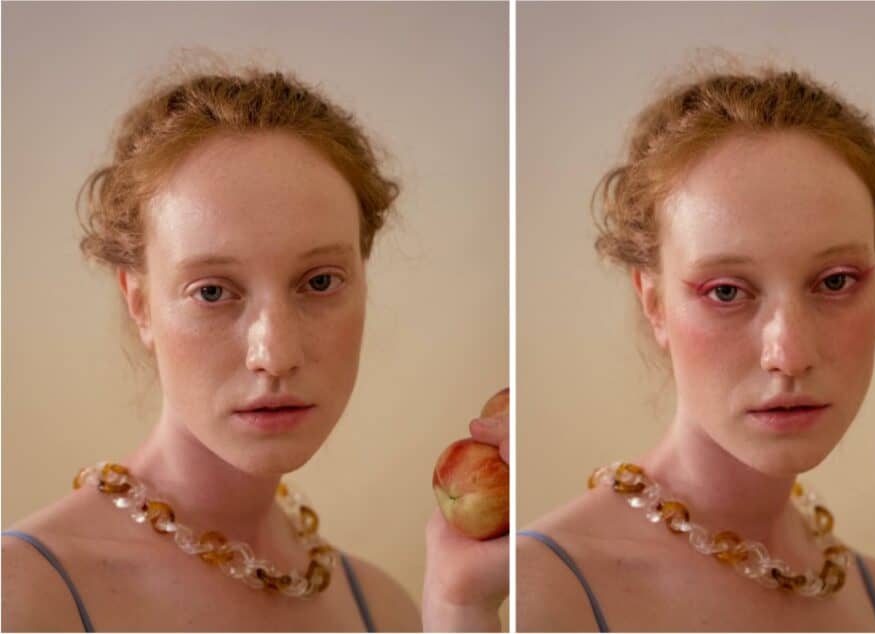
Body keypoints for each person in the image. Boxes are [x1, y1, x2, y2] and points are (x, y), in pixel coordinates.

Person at [1, 63, 508, 632]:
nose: (274, 353)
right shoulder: (24, 597)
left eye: (319, 282)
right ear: (139, 303)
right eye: (212, 291)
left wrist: (462, 608)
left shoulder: (382, 608)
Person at [516, 65, 875, 632]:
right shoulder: (543, 594)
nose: (788, 353)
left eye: (835, 281)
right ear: (654, 304)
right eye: (726, 291)